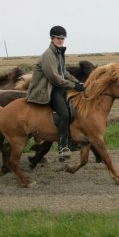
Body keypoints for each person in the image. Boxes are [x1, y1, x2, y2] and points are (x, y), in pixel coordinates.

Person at [26, 25, 85, 161]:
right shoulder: (48, 55)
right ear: (52, 38)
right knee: (64, 114)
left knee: (74, 108)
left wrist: (78, 83)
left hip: (56, 87)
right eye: (58, 38)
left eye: (63, 38)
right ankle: (62, 146)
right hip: (46, 89)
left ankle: (72, 140)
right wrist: (73, 86)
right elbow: (55, 78)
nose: (61, 41)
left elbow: (64, 73)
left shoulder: (58, 53)